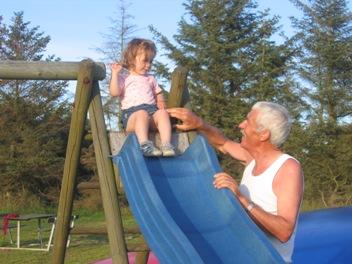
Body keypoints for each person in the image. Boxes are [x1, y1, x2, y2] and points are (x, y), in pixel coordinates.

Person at [167, 102, 303, 263]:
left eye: (248, 121)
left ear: (263, 134)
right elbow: (222, 143)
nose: (241, 125)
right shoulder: (252, 159)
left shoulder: (287, 168)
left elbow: (284, 231)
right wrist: (199, 124)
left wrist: (241, 199)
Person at [109, 38, 175, 157]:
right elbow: (114, 92)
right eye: (145, 61)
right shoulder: (124, 77)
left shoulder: (151, 78)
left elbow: (158, 92)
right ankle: (145, 145)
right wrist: (115, 74)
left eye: (151, 61)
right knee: (141, 113)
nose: (148, 65)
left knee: (162, 114)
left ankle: (167, 144)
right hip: (132, 117)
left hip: (151, 113)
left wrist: (160, 100)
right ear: (131, 59)